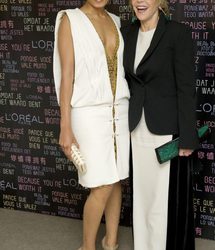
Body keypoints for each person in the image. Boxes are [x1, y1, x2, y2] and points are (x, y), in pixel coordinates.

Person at [121, 0, 199, 249]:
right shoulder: (126, 34)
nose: (140, 2)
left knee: (161, 200)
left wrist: (187, 137)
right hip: (136, 128)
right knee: (142, 197)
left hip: (165, 129)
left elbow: (186, 89)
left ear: (160, 2)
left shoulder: (178, 33)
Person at [53, 1, 130, 249]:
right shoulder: (69, 20)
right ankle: (87, 247)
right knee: (102, 183)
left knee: (116, 178)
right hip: (87, 112)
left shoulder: (116, 21)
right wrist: (65, 125)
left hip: (119, 110)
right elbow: (66, 75)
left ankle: (112, 242)